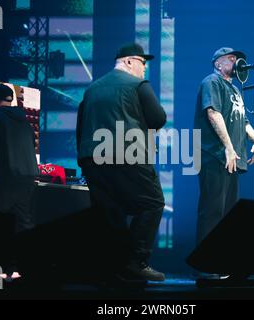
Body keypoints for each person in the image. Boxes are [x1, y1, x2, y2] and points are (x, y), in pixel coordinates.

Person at [76, 43, 167, 282]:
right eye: (142, 62)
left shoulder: (92, 89)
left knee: (110, 213)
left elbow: (80, 125)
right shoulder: (137, 85)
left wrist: (84, 157)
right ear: (128, 61)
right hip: (128, 155)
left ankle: (113, 268)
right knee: (153, 203)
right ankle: (136, 262)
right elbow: (158, 118)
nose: (144, 68)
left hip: (92, 159)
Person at [194, 47, 254, 246]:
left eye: (237, 59)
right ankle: (204, 264)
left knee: (228, 213)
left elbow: (244, 121)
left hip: (231, 158)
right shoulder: (211, 82)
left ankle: (222, 260)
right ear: (218, 63)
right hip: (215, 155)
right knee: (212, 210)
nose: (236, 62)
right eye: (231, 59)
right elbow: (213, 113)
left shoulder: (234, 89)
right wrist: (229, 147)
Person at [0, 83, 38, 234]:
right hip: (27, 179)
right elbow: (32, 145)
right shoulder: (25, 122)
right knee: (23, 222)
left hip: (6, 179)